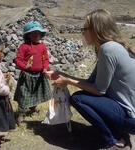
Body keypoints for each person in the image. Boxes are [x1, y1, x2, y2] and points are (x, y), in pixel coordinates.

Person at [44, 9, 135, 150]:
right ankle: (119, 132)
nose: (82, 33)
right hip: (128, 112)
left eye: (84, 28)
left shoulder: (108, 49)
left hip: (130, 117)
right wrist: (63, 75)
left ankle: (116, 141)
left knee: (79, 99)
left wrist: (68, 81)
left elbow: (98, 90)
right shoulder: (113, 47)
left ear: (95, 29)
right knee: (83, 96)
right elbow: (91, 83)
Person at [14, 21, 51, 125]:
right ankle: (21, 114)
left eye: (39, 33)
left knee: (35, 94)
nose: (37, 35)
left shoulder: (42, 47)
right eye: (34, 33)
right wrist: (25, 66)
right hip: (27, 76)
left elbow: (46, 59)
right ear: (28, 35)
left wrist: (45, 68)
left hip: (39, 75)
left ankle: (32, 109)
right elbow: (18, 60)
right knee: (24, 95)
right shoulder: (24, 47)